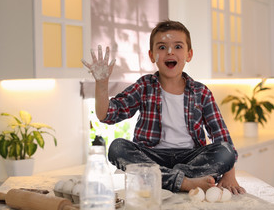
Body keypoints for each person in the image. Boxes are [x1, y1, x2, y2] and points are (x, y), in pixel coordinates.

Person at [82, 20, 246, 194]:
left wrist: (230, 175)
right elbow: (106, 115)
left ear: (189, 55)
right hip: (151, 157)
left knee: (225, 151)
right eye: (162, 47)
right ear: (152, 55)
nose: (170, 52)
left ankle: (161, 179)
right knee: (117, 147)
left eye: (177, 46)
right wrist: (101, 84)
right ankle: (184, 183)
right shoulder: (144, 86)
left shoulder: (201, 92)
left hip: (190, 158)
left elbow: (221, 135)